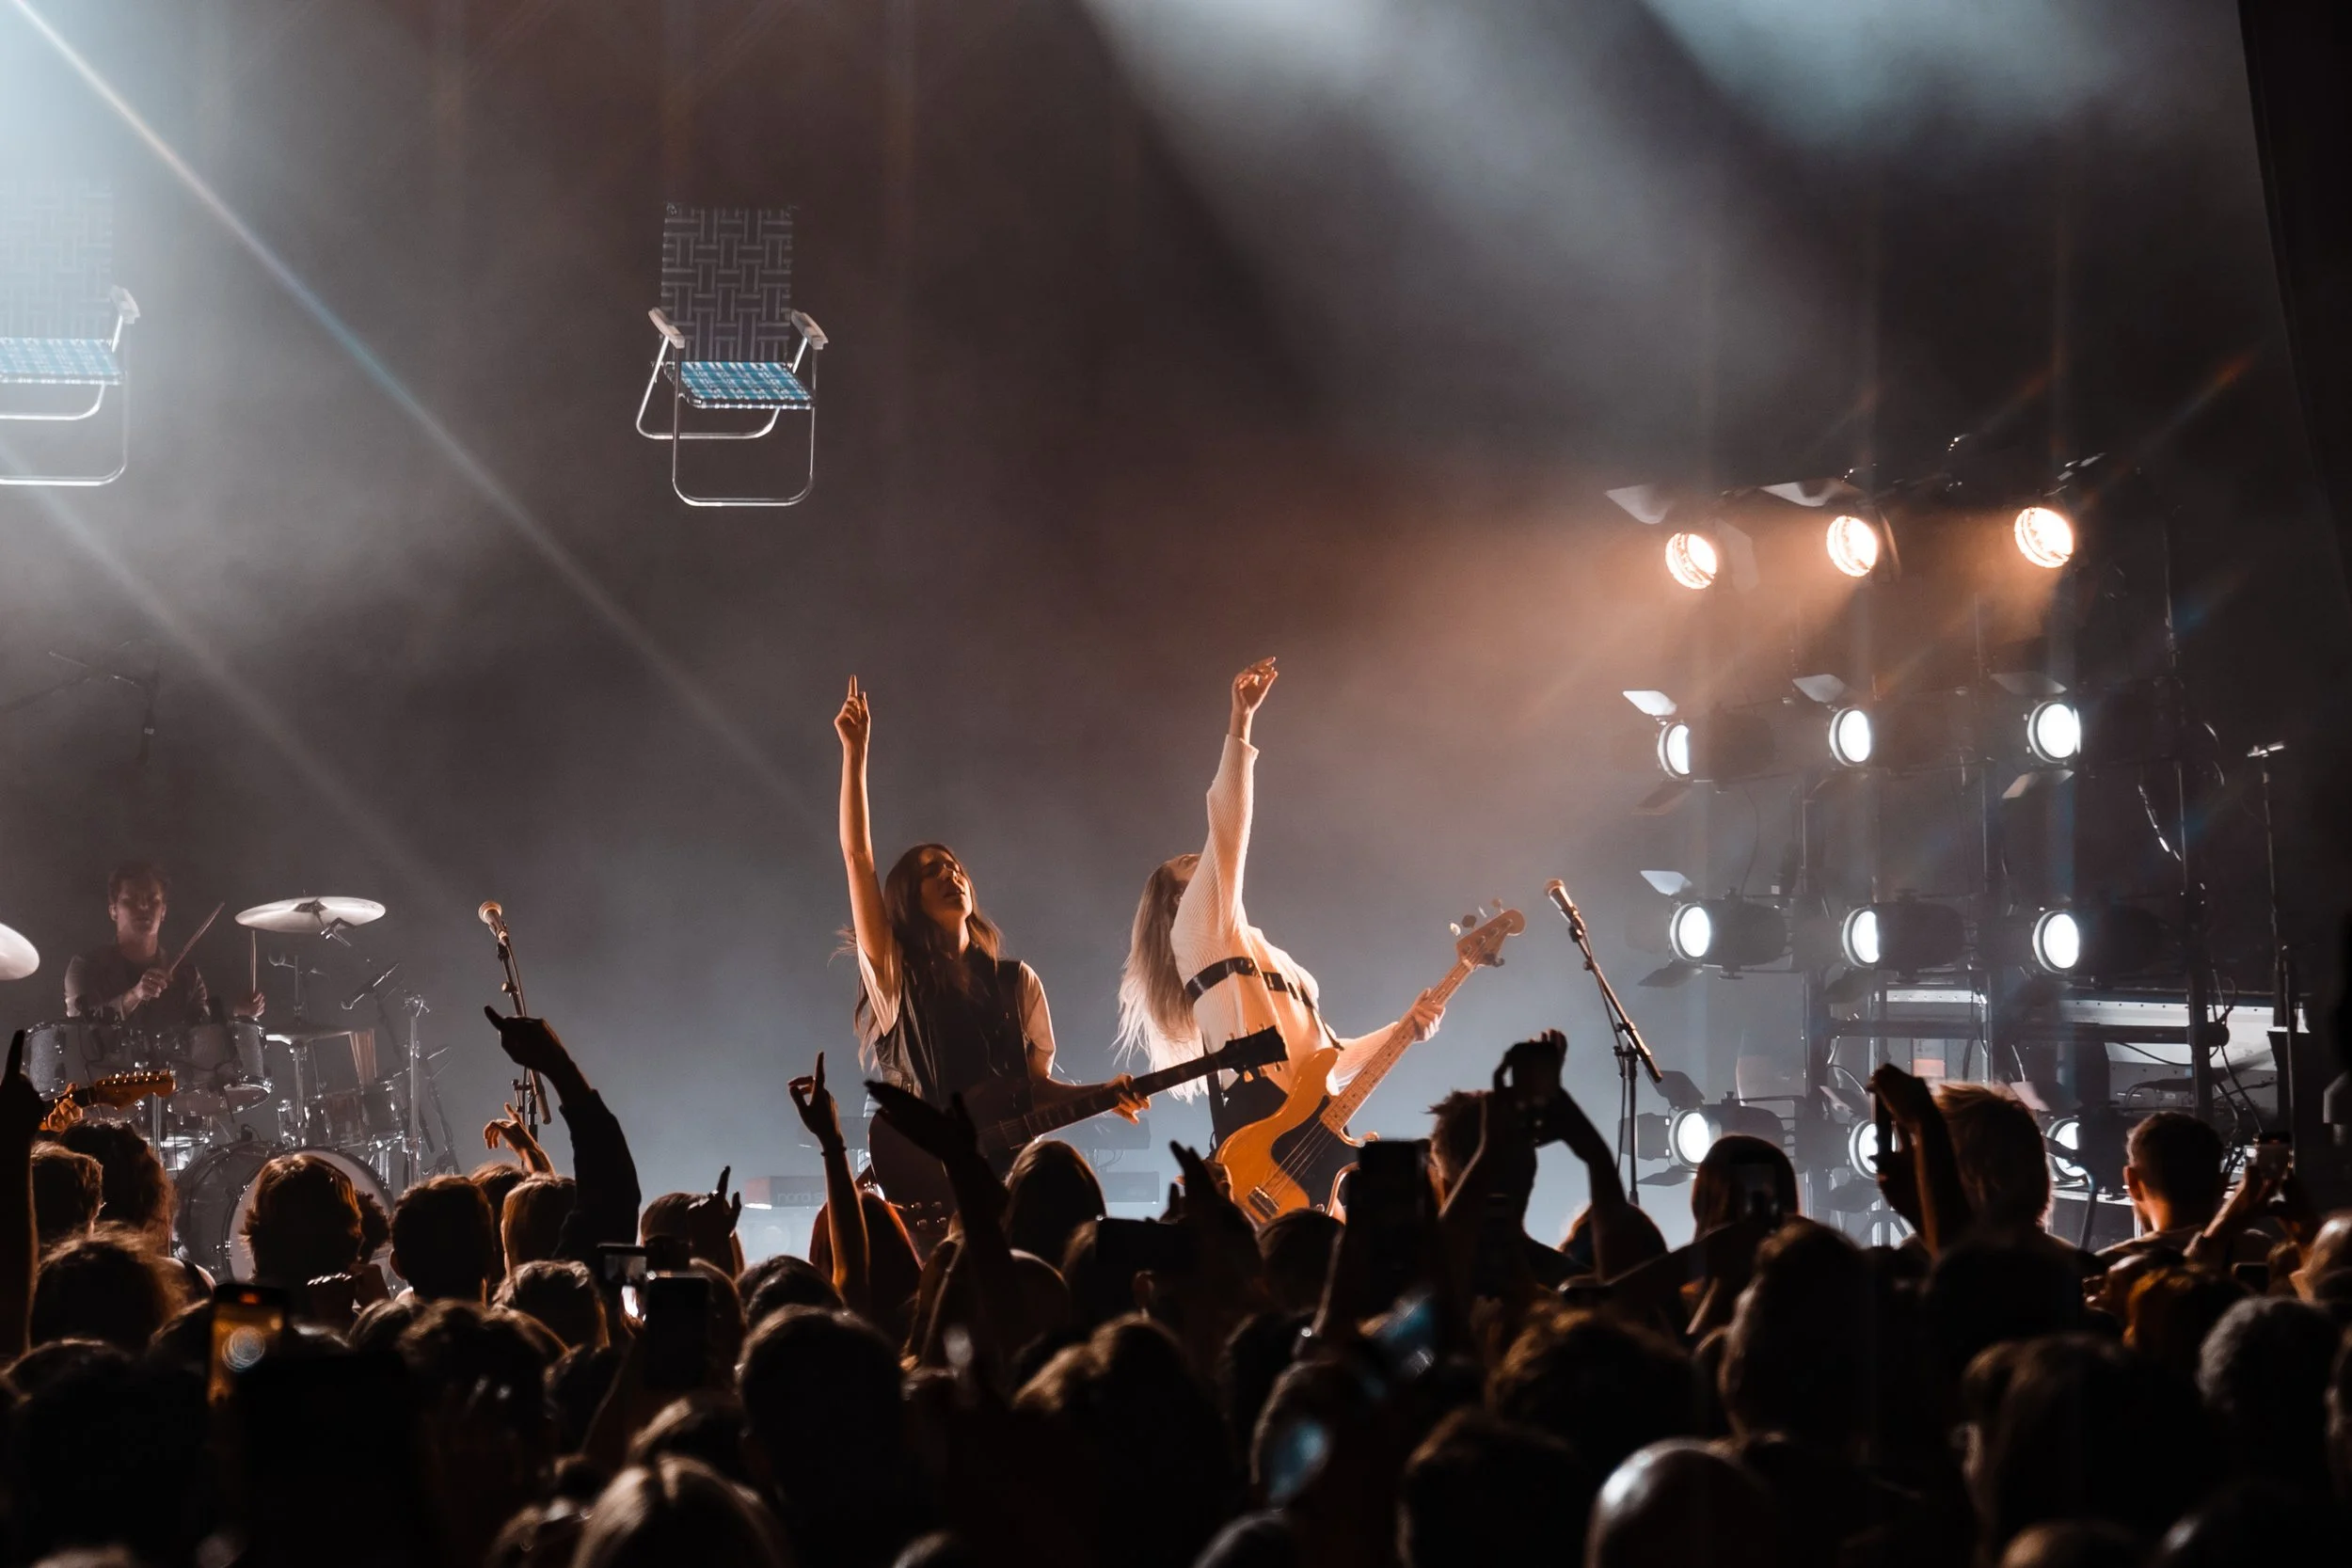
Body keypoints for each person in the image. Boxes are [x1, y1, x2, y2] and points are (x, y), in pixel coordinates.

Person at [1117, 657, 1443, 1149]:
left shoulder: (1268, 954)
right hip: (1260, 1126)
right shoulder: (1195, 932)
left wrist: (1404, 1030)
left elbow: (1328, 1060)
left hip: (1313, 1131)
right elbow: (1227, 833)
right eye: (1188, 863)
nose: (1201, 859)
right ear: (1177, 899)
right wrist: (1241, 723)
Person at [834, 676, 1141, 1159]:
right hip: (924, 1176)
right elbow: (858, 859)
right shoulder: (895, 975)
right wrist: (855, 753)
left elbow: (1034, 1092)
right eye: (932, 871)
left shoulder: (1018, 983)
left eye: (954, 867)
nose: (950, 874)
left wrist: (1103, 1094)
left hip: (1004, 1175)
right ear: (908, 899)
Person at [62, 862, 263, 1023]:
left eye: (153, 900)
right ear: (113, 911)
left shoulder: (187, 976)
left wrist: (238, 1015)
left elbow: (203, 1036)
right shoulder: (86, 967)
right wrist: (134, 995)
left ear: (164, 911)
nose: (143, 906)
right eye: (131, 900)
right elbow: (79, 1030)